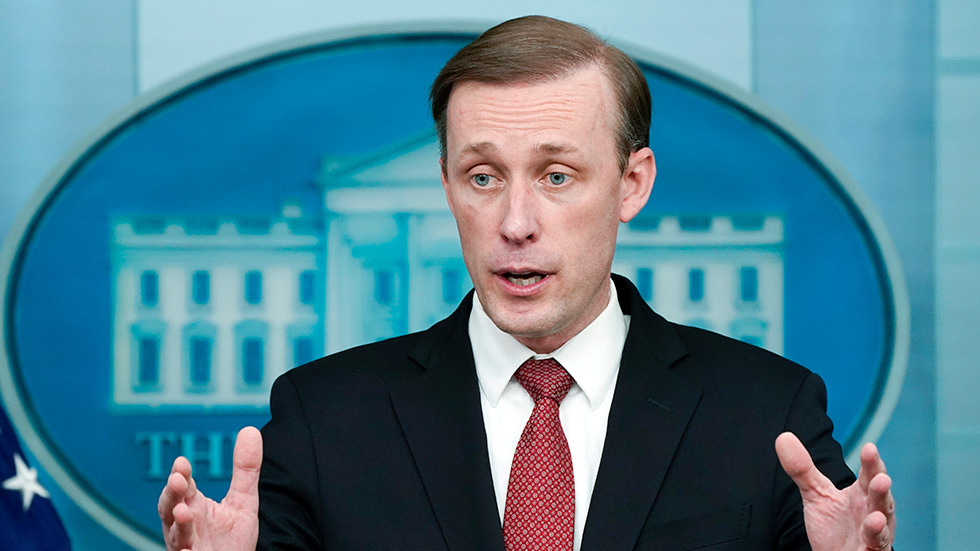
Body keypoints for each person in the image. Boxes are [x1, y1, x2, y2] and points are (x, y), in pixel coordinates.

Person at [158, 15, 896, 551]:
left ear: (632, 184)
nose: (515, 222)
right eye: (483, 176)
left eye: (555, 175)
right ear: (447, 186)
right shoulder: (324, 417)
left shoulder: (768, 412)